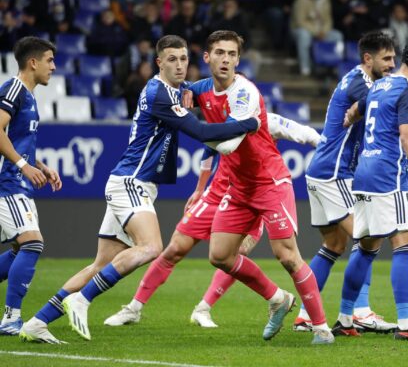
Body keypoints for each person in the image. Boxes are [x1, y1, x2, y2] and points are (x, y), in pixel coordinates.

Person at [19, 35, 260, 344]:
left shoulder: (171, 91)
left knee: (101, 265)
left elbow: (197, 94)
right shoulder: (161, 94)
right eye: (171, 59)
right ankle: (82, 299)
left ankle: (38, 322)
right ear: (158, 63)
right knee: (150, 247)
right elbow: (201, 131)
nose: (179, 65)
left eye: (184, 59)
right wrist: (248, 123)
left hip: (128, 181)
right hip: (131, 183)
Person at [102, 113, 320, 328]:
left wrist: (326, 149)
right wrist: (199, 190)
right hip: (216, 195)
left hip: (252, 197)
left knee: (235, 254)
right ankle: (134, 308)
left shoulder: (267, 120)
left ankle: (203, 308)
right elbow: (208, 150)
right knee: (175, 248)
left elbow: (303, 132)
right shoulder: (226, 122)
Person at [188, 30, 334, 345]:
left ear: (238, 60)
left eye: (231, 54)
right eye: (219, 53)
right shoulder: (200, 90)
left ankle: (321, 328)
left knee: (287, 256)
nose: (225, 59)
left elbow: (227, 146)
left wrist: (189, 127)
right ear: (207, 57)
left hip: (270, 182)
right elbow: (176, 95)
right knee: (220, 255)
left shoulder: (245, 93)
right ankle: (277, 298)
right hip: (239, 189)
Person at [333, 35, 408, 340]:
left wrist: (349, 118)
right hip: (388, 175)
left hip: (363, 173)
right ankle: (407, 324)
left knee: (367, 246)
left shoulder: (381, 84)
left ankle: (345, 319)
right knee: (406, 240)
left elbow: (355, 109)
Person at [296, 31, 398, 334]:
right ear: (368, 59)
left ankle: (304, 315)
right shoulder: (360, 83)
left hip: (323, 171)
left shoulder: (362, 82)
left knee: (334, 244)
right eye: (387, 59)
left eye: (394, 58)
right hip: (334, 173)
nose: (392, 64)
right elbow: (385, 101)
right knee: (368, 238)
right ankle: (361, 312)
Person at [0, 37, 62, 335]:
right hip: (6, 182)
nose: (54, 66)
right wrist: (23, 166)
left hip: (16, 178)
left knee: (18, 248)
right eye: (49, 60)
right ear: (33, 62)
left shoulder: (31, 96)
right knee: (32, 242)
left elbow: (16, 140)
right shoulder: (14, 89)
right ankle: (11, 318)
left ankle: (11, 317)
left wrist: (38, 165)